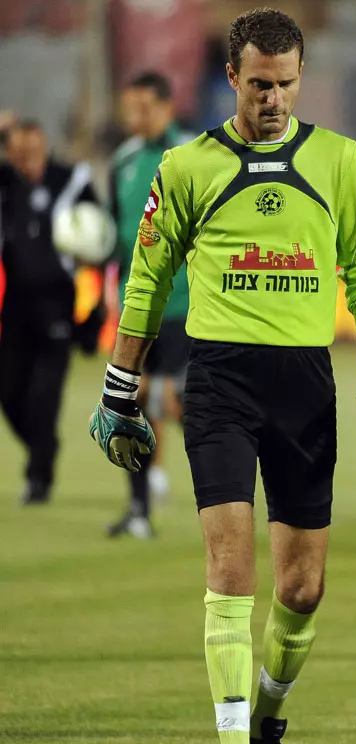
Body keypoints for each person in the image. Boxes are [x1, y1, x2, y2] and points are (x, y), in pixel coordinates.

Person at [88, 8, 356, 744]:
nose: (273, 99)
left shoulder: (338, 160)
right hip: (219, 379)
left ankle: (266, 725)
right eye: (259, 84)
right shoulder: (186, 166)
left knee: (303, 588)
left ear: (301, 77)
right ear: (231, 77)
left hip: (305, 385)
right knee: (230, 571)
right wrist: (122, 383)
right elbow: (148, 278)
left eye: (286, 85)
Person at [107, 71, 194, 539]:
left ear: (166, 107)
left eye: (144, 108)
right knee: (129, 405)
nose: (135, 117)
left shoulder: (194, 155)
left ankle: (230, 489)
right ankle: (139, 511)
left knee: (184, 404)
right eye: (130, 108)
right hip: (134, 309)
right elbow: (114, 234)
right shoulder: (120, 161)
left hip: (183, 306)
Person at [0, 119, 101, 504]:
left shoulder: (71, 182)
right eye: (19, 151)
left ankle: (39, 475)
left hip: (57, 306)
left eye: (34, 150)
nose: (28, 158)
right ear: (10, 152)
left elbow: (99, 242)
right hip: (13, 309)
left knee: (44, 398)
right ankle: (43, 448)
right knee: (8, 394)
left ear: (45, 147)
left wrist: (92, 315)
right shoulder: (7, 185)